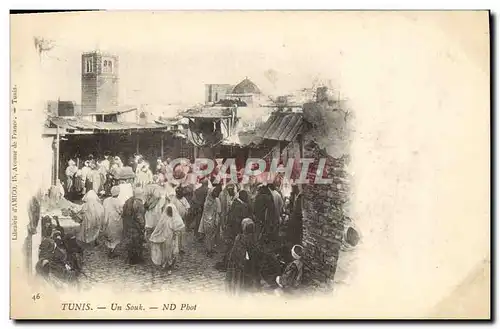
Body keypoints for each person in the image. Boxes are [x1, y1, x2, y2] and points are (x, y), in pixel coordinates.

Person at [217, 190, 252, 271]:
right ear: (243, 197)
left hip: (232, 230)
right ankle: (227, 265)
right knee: (231, 248)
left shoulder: (236, 203)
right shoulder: (239, 206)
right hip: (234, 231)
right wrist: (238, 232)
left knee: (230, 248)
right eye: (246, 197)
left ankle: (227, 263)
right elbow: (236, 220)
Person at [225, 218, 259, 295]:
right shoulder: (254, 238)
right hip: (249, 263)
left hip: (241, 263)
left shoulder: (239, 238)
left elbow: (234, 254)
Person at [149, 203, 185, 274]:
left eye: (170, 211)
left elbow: (178, 229)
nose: (169, 212)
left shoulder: (175, 219)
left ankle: (170, 264)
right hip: (165, 238)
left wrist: (176, 234)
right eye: (168, 211)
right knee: (165, 252)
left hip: (172, 239)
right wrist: (154, 235)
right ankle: (165, 263)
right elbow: (158, 228)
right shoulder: (164, 219)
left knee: (171, 252)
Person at [122, 187, 146, 265]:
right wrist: (142, 226)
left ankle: (130, 258)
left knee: (130, 242)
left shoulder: (129, 201)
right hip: (136, 226)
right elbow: (139, 217)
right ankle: (136, 259)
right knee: (137, 242)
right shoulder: (139, 203)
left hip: (128, 225)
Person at [198, 184, 222, 257]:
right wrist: (210, 222)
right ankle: (208, 250)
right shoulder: (208, 203)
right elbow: (207, 214)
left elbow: (217, 211)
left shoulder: (216, 200)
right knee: (208, 236)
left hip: (214, 220)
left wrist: (216, 220)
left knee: (212, 236)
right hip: (208, 221)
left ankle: (211, 248)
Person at [102, 186, 123, 257]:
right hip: (114, 220)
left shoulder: (106, 200)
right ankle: (112, 252)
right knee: (115, 235)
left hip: (106, 219)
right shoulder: (118, 201)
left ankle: (110, 250)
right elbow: (120, 211)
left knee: (109, 234)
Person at [170, 187, 190, 254]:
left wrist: (186, 213)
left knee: (182, 234)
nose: (180, 194)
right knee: (176, 234)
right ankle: (176, 248)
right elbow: (171, 209)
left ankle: (181, 248)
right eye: (179, 193)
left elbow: (187, 207)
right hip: (175, 220)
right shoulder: (173, 199)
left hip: (183, 219)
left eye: (181, 193)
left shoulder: (184, 199)